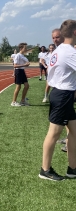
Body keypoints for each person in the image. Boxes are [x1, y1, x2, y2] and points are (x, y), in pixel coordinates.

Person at [38, 19, 76, 181]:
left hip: (61, 94)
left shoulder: (59, 51)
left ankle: (72, 169)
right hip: (63, 96)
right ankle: (45, 170)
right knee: (53, 134)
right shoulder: (69, 52)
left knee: (74, 132)